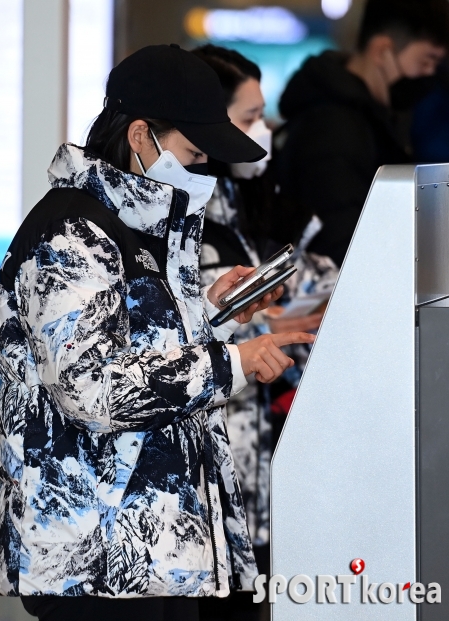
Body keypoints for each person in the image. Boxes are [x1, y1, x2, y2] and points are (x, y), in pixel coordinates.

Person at [0, 45, 316, 621]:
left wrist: (212, 312)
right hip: (92, 561)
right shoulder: (71, 233)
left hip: (150, 552)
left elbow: (136, 343)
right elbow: (92, 389)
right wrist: (229, 364)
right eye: (192, 153)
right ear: (141, 135)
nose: (202, 170)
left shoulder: (138, 226)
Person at [192, 44, 337, 621]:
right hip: (206, 485)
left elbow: (309, 271)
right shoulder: (182, 217)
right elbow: (180, 332)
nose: (263, 131)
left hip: (254, 477)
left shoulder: (244, 200)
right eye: (249, 117)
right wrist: (267, 323)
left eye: (262, 115)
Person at [276, 0, 449, 267]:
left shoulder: (375, 116)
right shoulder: (332, 129)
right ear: (382, 50)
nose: (430, 74)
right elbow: (343, 245)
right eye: (427, 60)